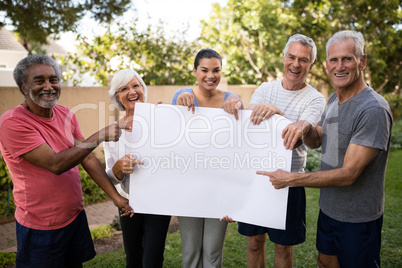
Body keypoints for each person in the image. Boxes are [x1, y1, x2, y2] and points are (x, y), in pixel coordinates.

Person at [259, 30, 393, 267]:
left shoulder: (372, 109)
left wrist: (292, 179)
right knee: (325, 262)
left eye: (347, 59)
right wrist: (303, 126)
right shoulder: (334, 100)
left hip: (358, 219)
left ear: (361, 62)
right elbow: (317, 139)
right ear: (326, 64)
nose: (339, 66)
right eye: (334, 60)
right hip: (329, 211)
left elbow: (348, 174)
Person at [0, 54, 134, 267]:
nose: (49, 86)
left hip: (74, 216)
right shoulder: (12, 123)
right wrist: (99, 135)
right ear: (24, 88)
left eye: (53, 79)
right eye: (39, 80)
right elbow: (55, 164)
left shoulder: (65, 114)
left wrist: (115, 197)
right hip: (40, 225)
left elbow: (87, 157)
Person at [223, 34, 325, 268]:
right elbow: (250, 124)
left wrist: (278, 114)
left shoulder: (315, 99)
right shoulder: (265, 88)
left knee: (282, 247)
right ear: (283, 57)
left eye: (303, 59)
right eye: (291, 57)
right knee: (254, 242)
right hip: (255, 177)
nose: (296, 64)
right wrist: (237, 103)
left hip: (290, 181)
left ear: (312, 64)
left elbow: (302, 137)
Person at [172, 48, 239, 268]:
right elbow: (170, 137)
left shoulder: (231, 100)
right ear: (194, 71)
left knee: (212, 252)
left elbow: (241, 147)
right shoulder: (182, 97)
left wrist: (238, 102)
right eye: (204, 70)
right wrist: (178, 101)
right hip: (188, 188)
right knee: (190, 252)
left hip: (220, 189)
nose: (211, 75)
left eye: (216, 70)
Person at [104, 68, 171, 267]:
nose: (132, 91)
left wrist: (162, 118)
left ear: (142, 89)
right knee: (132, 256)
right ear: (117, 96)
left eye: (136, 85)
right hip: (128, 203)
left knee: (152, 258)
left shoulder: (160, 119)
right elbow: (111, 175)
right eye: (124, 88)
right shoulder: (113, 132)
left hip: (158, 201)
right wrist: (118, 167)